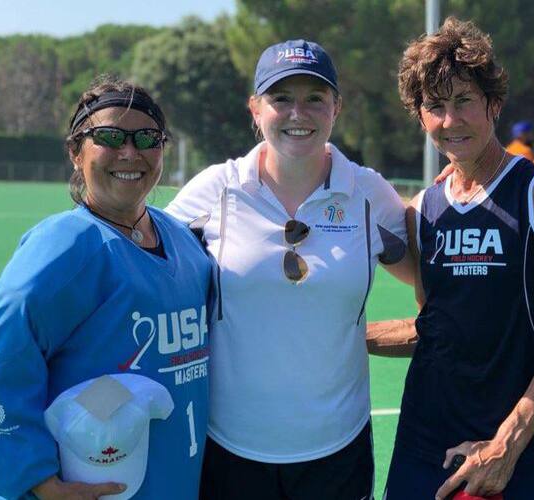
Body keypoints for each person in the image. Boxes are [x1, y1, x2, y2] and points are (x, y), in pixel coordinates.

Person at [164, 39, 411, 500]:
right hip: (230, 447)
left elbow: (437, 285)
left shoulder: (369, 195)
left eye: (315, 98)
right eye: (281, 98)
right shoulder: (215, 190)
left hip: (337, 448)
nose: (299, 113)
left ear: (336, 107)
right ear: (255, 109)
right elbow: (144, 268)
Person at [374, 18, 534, 499]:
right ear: (421, 117)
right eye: (435, 107)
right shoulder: (425, 209)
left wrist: (507, 443)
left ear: (493, 105)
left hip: (514, 445)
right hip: (423, 441)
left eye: (464, 102)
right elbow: (433, 327)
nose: (450, 121)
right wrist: (339, 335)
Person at [0, 75, 214, 499]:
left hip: (178, 481)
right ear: (76, 152)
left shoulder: (183, 241)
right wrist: (36, 479)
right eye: (109, 136)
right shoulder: (66, 246)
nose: (130, 152)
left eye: (147, 137)